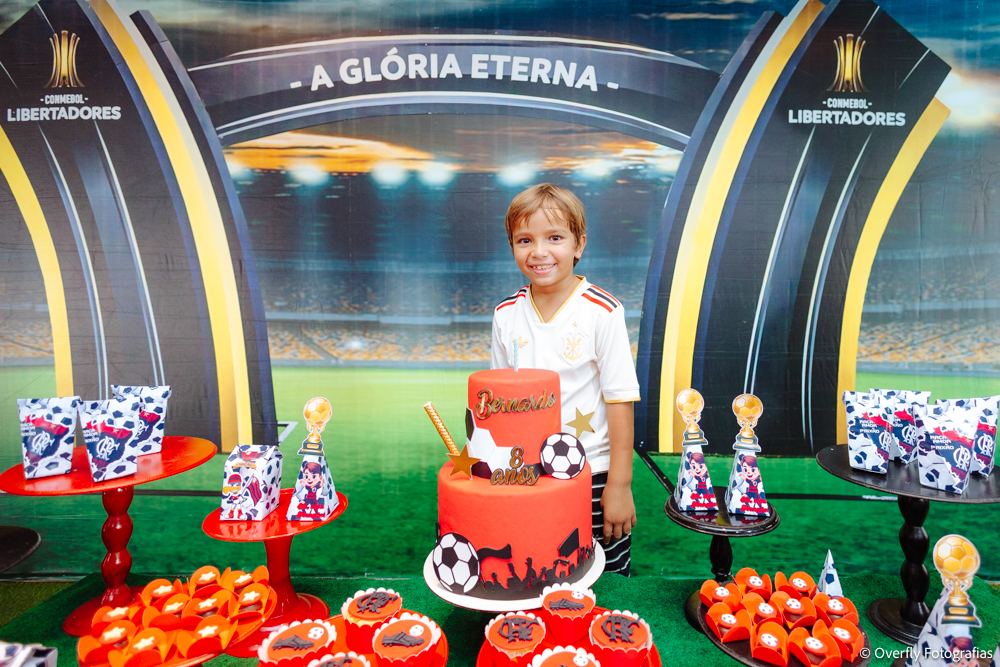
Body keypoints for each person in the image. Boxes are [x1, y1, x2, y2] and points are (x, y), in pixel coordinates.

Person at [490, 183, 641, 576]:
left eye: (554, 238)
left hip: (593, 471)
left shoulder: (602, 311)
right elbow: (500, 404)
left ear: (579, 245)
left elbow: (620, 400)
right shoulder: (505, 314)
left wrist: (619, 485)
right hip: (527, 473)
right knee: (537, 569)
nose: (539, 252)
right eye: (525, 240)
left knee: (604, 575)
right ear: (512, 247)